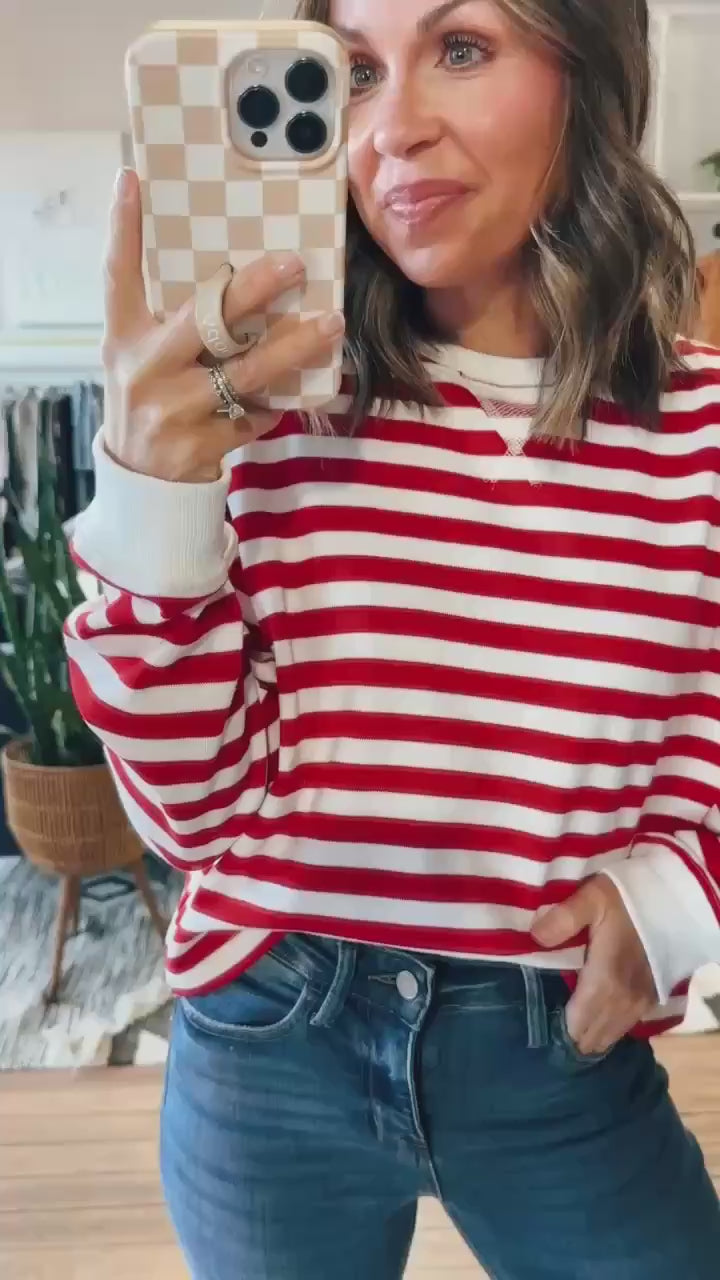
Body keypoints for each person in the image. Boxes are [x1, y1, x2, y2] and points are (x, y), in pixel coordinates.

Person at [65, 1, 720, 1276]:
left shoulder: (698, 434)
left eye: (461, 48)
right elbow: (190, 816)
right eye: (354, 69)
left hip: (557, 1045)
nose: (392, 129)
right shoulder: (261, 414)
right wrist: (154, 495)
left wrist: (678, 899)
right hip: (268, 1030)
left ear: (588, 71)